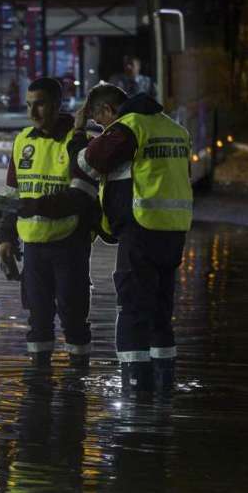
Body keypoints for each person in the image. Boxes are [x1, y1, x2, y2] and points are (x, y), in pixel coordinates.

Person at [78, 82, 193, 393]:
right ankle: (164, 384)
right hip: (174, 231)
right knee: (160, 311)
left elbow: (90, 162)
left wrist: (79, 137)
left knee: (131, 309)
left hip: (141, 230)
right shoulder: (175, 129)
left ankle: (134, 392)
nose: (101, 127)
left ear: (106, 110)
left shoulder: (128, 128)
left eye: (98, 119)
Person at [0, 77, 100, 369]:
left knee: (73, 318)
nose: (33, 113)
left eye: (40, 105)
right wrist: (5, 237)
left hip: (69, 245)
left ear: (57, 105)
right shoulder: (22, 141)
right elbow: (11, 195)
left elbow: (81, 198)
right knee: (37, 319)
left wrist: (31, 206)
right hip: (33, 247)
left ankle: (77, 386)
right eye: (29, 105)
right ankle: (37, 389)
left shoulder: (77, 142)